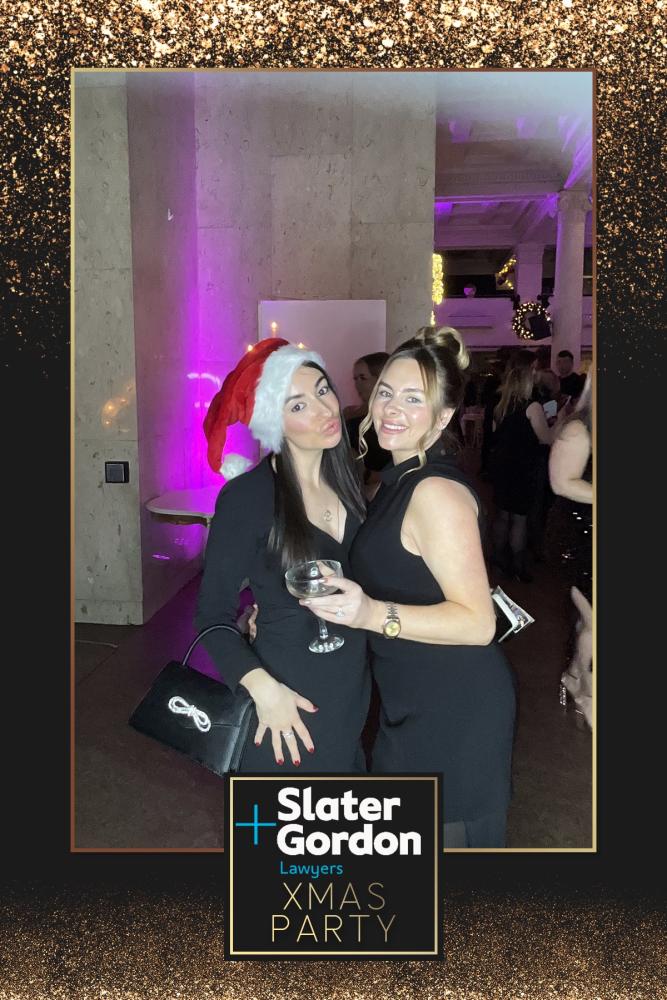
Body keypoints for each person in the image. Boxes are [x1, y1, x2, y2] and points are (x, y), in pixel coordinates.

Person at [300, 326, 517, 848]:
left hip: (455, 708)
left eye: (414, 398)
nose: (392, 409)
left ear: (443, 417)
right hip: (409, 699)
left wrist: (371, 614)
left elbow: (478, 623)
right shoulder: (396, 480)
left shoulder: (435, 492)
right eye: (386, 392)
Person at [195, 338, 370, 772]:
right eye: (298, 405)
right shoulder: (248, 497)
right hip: (287, 697)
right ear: (276, 422)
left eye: (323, 390)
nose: (324, 409)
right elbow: (211, 615)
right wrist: (265, 691)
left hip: (351, 688)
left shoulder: (348, 479)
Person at [548, 373, 593, 728]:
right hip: (579, 536)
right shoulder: (578, 429)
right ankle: (587, 695)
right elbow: (562, 483)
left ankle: (575, 677)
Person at [489, 358, 558, 582]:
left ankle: (498, 560)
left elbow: (496, 435)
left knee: (502, 515)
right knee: (519, 519)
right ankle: (518, 567)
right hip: (523, 466)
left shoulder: (500, 405)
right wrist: (560, 423)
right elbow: (545, 438)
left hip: (502, 465)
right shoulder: (532, 406)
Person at [344, 352, 391, 490]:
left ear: (380, 379)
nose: (357, 384)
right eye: (355, 379)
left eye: (363, 378)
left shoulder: (392, 417)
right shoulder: (349, 412)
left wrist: (367, 475)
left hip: (380, 489)